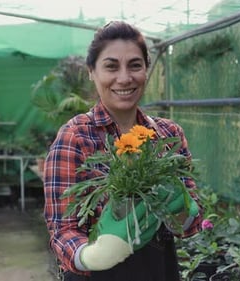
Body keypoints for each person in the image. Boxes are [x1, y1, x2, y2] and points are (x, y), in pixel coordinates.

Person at [44, 21, 203, 281]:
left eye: (135, 65)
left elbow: (191, 225)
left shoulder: (168, 135)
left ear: (146, 70)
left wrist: (182, 212)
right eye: (111, 66)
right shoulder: (75, 137)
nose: (124, 78)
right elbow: (62, 230)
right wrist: (91, 255)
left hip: (158, 270)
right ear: (91, 72)